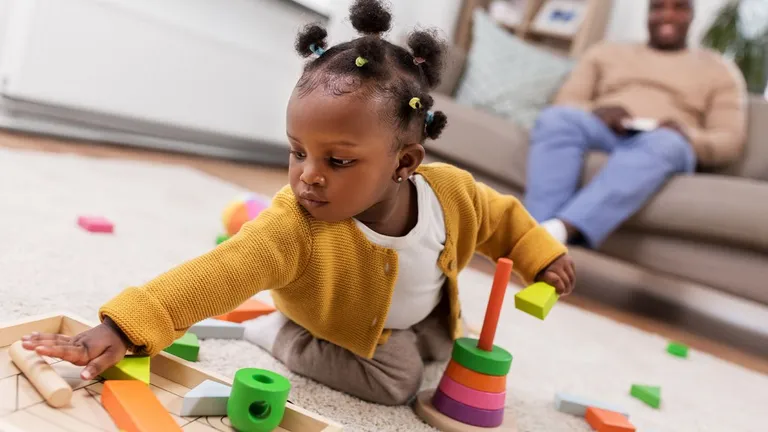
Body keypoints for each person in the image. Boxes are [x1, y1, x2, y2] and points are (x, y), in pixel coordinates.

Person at [19, 0, 575, 406]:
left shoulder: (451, 191)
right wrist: (123, 328)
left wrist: (541, 256)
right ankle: (282, 334)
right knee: (399, 382)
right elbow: (217, 273)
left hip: (416, 309)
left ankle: (398, 330)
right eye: (296, 152)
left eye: (336, 161)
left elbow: (502, 218)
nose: (307, 177)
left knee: (443, 345)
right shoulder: (297, 224)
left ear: (405, 164)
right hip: (339, 325)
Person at [525, 0, 748, 248]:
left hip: (663, 144)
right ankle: (532, 233)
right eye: (658, 7)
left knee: (667, 142)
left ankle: (560, 230)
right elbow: (565, 102)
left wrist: (687, 134)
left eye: (679, 8)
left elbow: (729, 141)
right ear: (648, 13)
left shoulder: (720, 71)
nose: (667, 16)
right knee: (556, 119)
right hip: (605, 131)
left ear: (692, 15)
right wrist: (597, 111)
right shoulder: (606, 52)